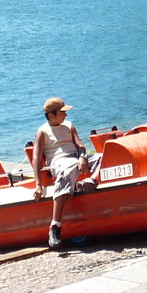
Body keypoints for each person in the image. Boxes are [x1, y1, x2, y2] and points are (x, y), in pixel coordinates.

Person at [32, 97, 98, 248]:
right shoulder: (42, 132)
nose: (66, 116)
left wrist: (82, 156)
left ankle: (90, 181)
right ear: (51, 115)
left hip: (75, 158)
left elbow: (80, 145)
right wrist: (38, 185)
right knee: (69, 168)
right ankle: (55, 226)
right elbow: (36, 159)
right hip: (59, 162)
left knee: (104, 157)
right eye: (62, 113)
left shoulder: (69, 126)